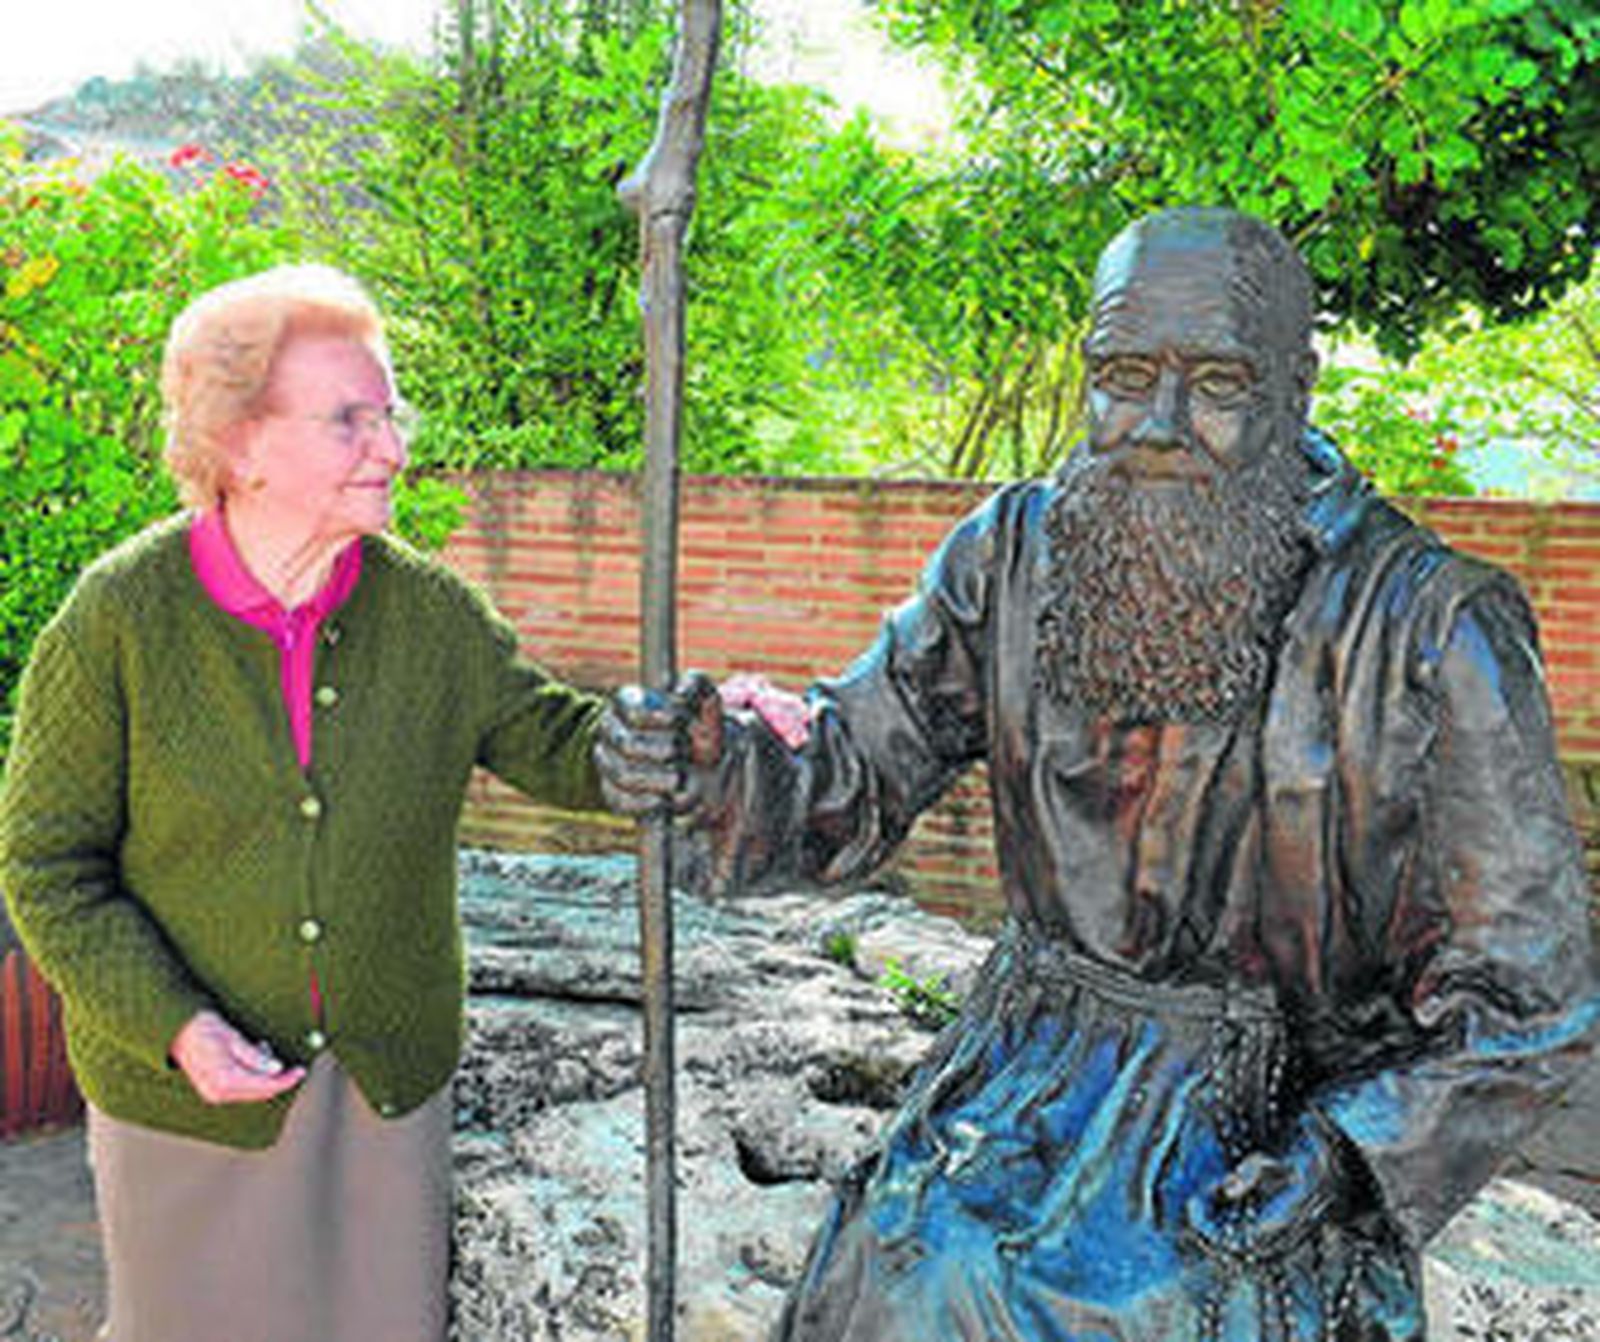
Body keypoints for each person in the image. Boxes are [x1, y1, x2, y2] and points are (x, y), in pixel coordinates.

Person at [597, 207, 1599, 1340]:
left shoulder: (1425, 625)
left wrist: (1344, 1157)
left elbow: (1529, 993)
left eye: (1216, 382)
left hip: (1269, 1120)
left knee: (1131, 1305)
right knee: (903, 1266)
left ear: (1294, 386)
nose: (1160, 424)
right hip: (1014, 1078)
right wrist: (711, 770)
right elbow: (852, 768)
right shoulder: (1011, 553)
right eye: (1123, 375)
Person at [0, 264, 605, 1342]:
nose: (393, 446)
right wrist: (174, 1025)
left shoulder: (430, 614)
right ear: (237, 444)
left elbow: (564, 743)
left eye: (390, 413)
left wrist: (695, 727)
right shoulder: (118, 622)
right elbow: (50, 868)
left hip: (383, 1089)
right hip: (185, 1099)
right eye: (349, 420)